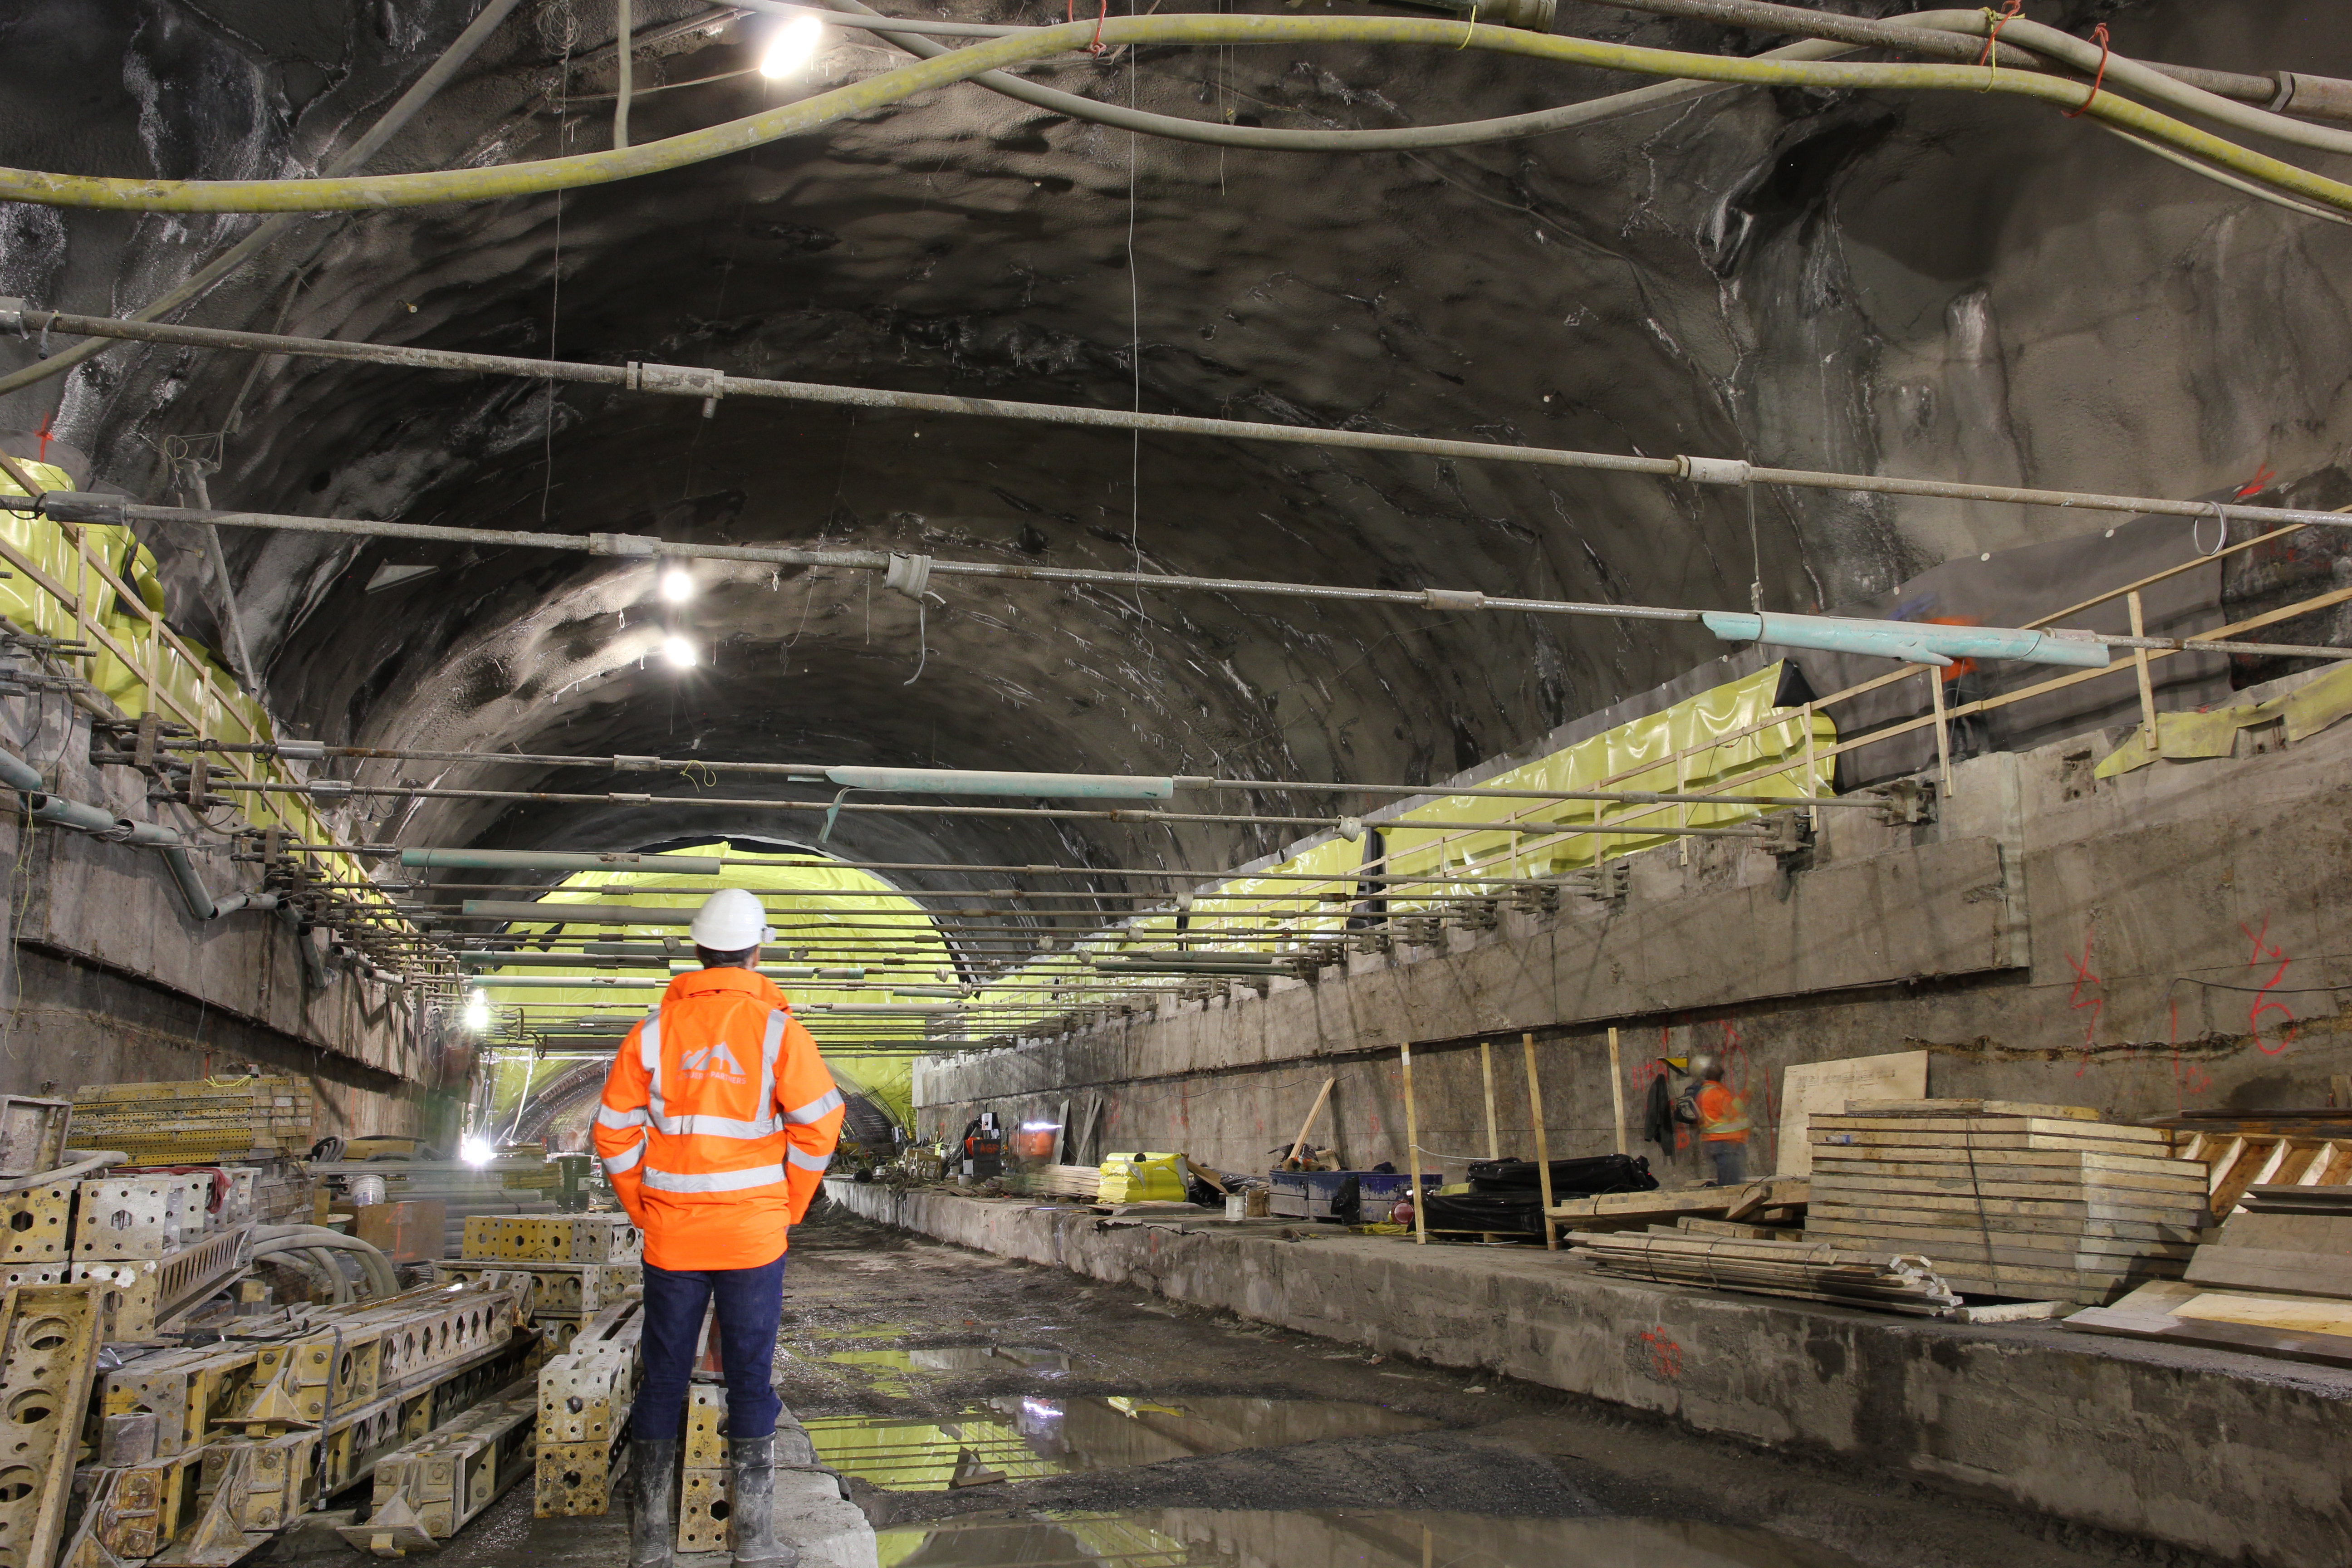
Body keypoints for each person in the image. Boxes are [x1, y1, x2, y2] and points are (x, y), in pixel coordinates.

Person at [593, 887, 845, 1568]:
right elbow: (821, 1122)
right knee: (751, 1384)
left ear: (698, 954)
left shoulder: (652, 1034)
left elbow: (612, 1132)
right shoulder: (774, 1031)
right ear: (756, 952)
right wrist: (785, 1204)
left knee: (664, 1382)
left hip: (674, 1238)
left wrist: (644, 1206)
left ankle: (650, 1549)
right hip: (752, 1239)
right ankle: (755, 1546)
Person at [1694, 1058, 1749, 1186]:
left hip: (1722, 1144)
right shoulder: (1714, 1093)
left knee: (1727, 1183)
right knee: (1731, 1187)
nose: (1716, 1066)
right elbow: (1733, 1112)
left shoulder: (1710, 1091)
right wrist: (1749, 1092)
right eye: (1712, 1066)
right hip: (1726, 1143)